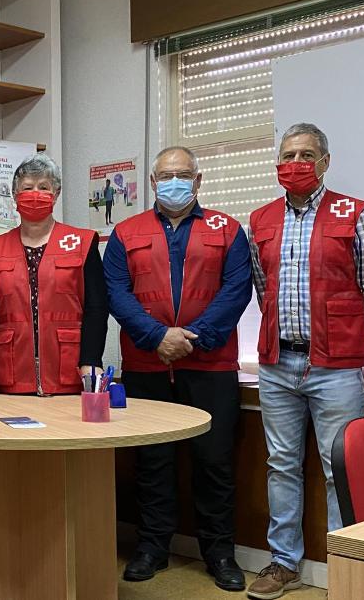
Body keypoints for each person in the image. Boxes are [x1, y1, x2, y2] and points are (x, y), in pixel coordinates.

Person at [245, 123, 364, 600]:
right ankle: (284, 563)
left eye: (306, 154)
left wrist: (347, 340)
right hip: (277, 364)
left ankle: (344, 566)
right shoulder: (262, 218)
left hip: (336, 368)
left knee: (339, 469)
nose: (295, 162)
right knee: (282, 465)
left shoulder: (357, 213)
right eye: (287, 154)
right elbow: (264, 290)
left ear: (326, 161)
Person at [103, 146, 250, 591]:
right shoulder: (125, 232)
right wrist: (156, 337)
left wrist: (192, 338)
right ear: (152, 182)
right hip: (147, 365)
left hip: (210, 365)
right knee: (152, 462)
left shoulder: (228, 230)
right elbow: (117, 292)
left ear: (198, 181)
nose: (174, 182)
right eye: (165, 175)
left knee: (214, 463)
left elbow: (236, 290)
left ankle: (219, 552)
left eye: (183, 174)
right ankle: (152, 547)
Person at [0, 153, 108, 397]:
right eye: (27, 187)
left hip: (70, 371)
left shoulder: (82, 243)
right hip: (10, 372)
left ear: (56, 193)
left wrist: (91, 360)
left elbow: (97, 307)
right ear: (15, 195)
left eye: (44, 187)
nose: (35, 193)